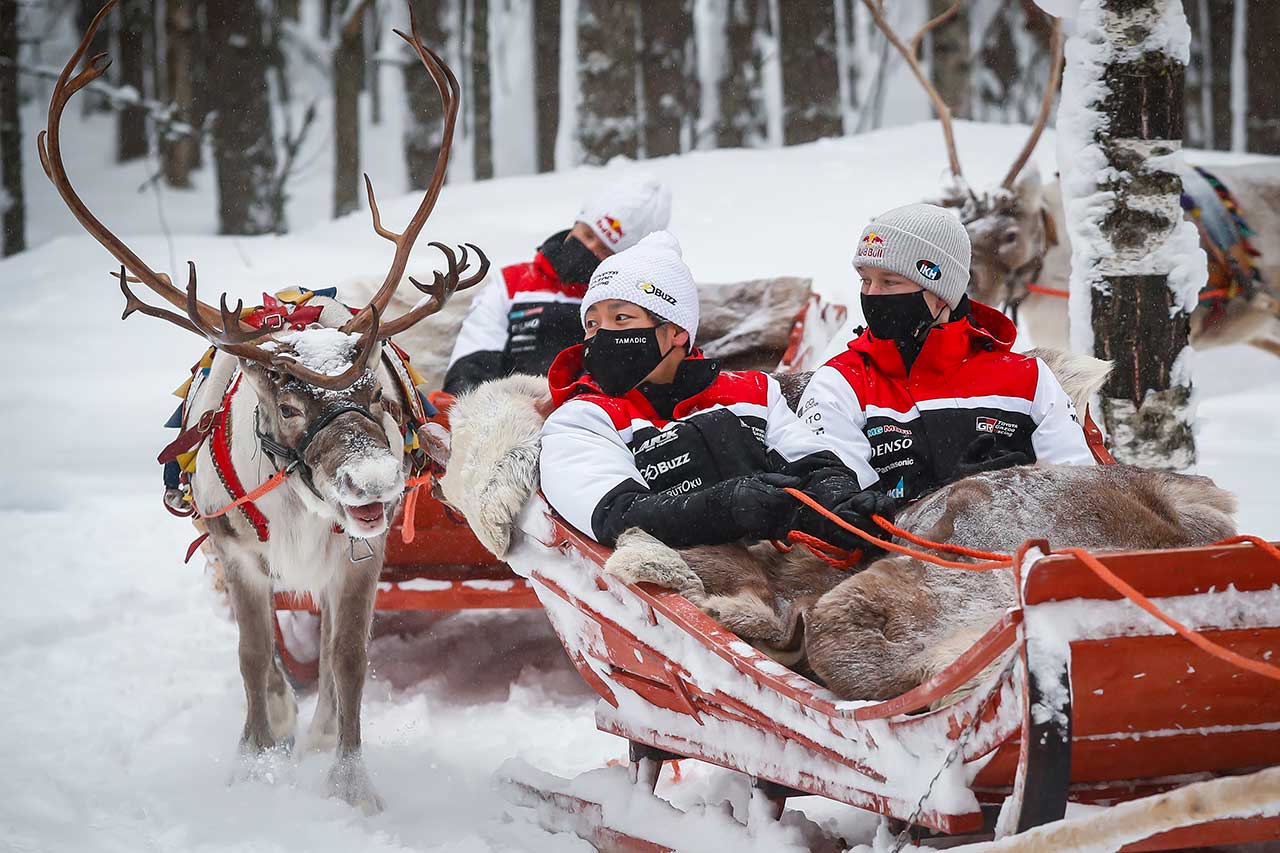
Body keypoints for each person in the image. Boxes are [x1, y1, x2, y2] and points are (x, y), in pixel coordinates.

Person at [539, 232, 891, 551]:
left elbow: (812, 464)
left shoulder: (754, 394)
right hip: (677, 583)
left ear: (675, 331)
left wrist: (839, 501)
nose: (601, 336)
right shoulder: (581, 419)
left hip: (776, 573)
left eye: (621, 319)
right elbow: (616, 515)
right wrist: (724, 508)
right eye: (592, 323)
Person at [797, 203, 1094, 503]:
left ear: (940, 292)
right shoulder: (841, 383)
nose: (872, 295)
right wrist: (949, 500)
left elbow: (1080, 497)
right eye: (865, 279)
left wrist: (1011, 492)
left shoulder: (1028, 379)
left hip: (1023, 546)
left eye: (889, 281)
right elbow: (844, 512)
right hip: (897, 551)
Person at [443, 172, 673, 395]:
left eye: (604, 250)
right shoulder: (510, 284)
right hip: (506, 415)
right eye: (588, 235)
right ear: (576, 223)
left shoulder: (627, 306)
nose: (589, 249)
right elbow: (468, 370)